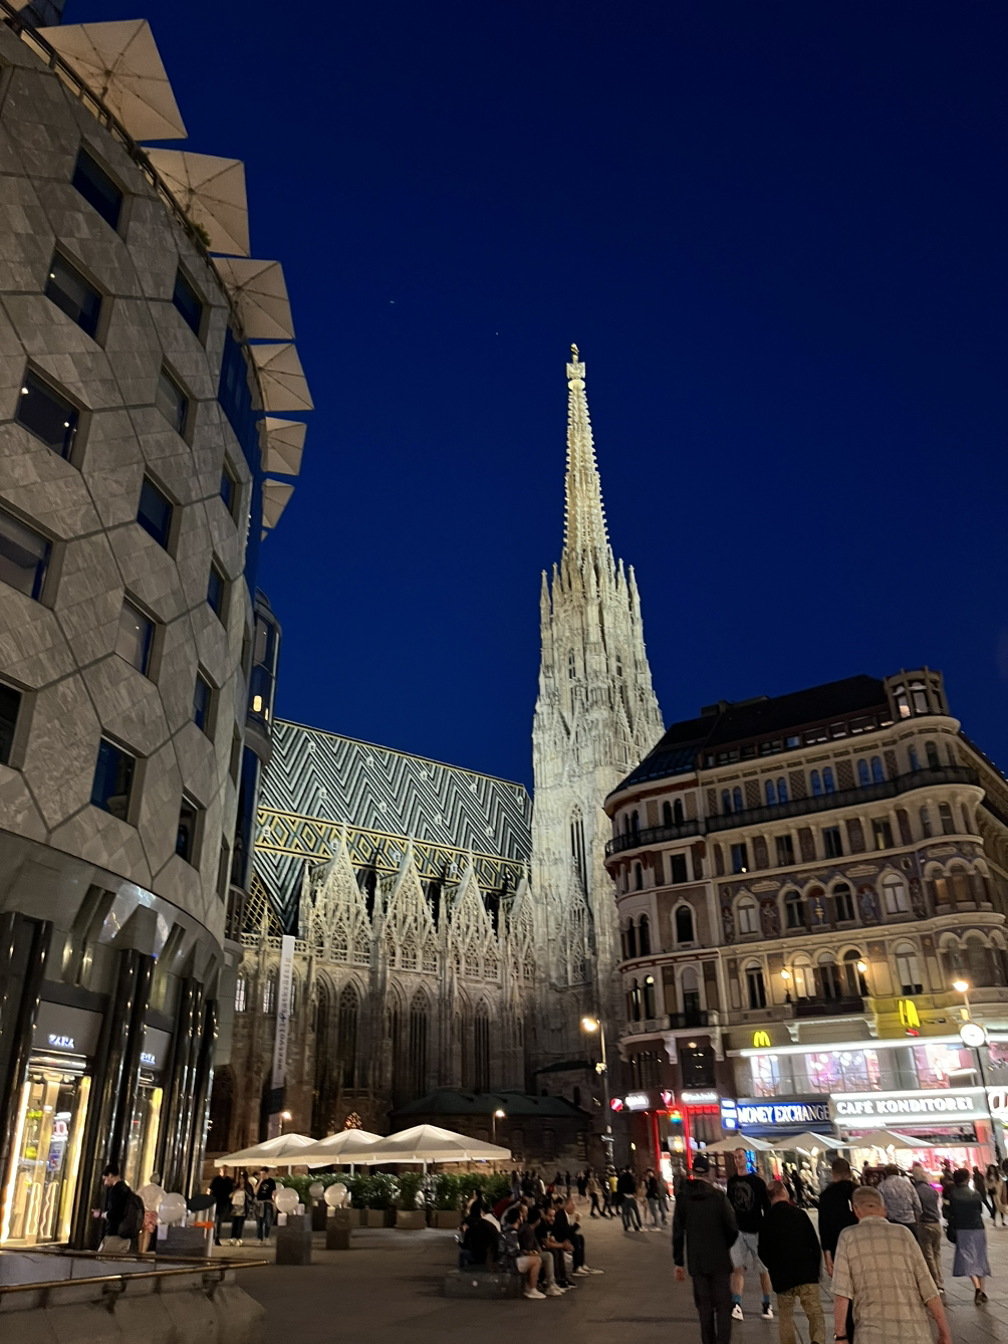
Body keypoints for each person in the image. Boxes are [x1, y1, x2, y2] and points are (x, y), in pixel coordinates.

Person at [831, 1184, 950, 1344]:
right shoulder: (904, 1234)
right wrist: (944, 1332)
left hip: (871, 1335)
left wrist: (840, 1336)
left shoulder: (848, 1237)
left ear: (856, 1210)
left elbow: (842, 1294)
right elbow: (929, 1289)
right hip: (914, 1334)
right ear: (884, 1210)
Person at [673, 1153, 739, 1344]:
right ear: (708, 1173)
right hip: (719, 1260)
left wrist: (679, 1262)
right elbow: (732, 1228)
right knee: (723, 1307)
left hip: (697, 1262)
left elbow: (678, 1232)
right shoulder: (718, 1197)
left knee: (704, 1309)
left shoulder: (683, 1198)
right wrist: (724, 1245)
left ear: (693, 1172)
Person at [758, 1180, 825, 1344]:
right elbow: (814, 1244)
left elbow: (763, 1251)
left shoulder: (767, 1220)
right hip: (806, 1273)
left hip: (782, 1277)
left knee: (786, 1317)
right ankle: (817, 1341)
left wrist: (773, 1267)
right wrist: (816, 1269)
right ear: (784, 1192)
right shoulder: (799, 1214)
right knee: (815, 1314)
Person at [726, 1147, 773, 1320]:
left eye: (740, 1157)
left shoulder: (757, 1182)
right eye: (735, 1157)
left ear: (746, 1159)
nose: (738, 1160)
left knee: (763, 1269)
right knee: (737, 1268)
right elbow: (729, 1205)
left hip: (756, 1230)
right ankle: (737, 1304)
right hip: (738, 1231)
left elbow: (766, 1206)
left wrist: (766, 1228)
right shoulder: (731, 1182)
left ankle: (767, 1303)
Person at [948, 1165, 991, 1304]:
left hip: (962, 1229)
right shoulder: (975, 1194)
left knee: (968, 1259)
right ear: (967, 1179)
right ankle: (982, 1290)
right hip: (978, 1228)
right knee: (981, 1257)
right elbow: (980, 1210)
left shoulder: (952, 1194)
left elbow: (948, 1213)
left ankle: (977, 1288)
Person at [910, 1164, 944, 1298]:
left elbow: (916, 1208)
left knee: (928, 1255)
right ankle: (940, 1280)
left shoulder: (915, 1190)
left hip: (924, 1223)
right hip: (936, 1223)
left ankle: (935, 1282)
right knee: (937, 1253)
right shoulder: (931, 1189)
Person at [499, 1205, 544, 1299]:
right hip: (509, 1263)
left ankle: (528, 1286)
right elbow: (512, 1251)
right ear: (517, 1219)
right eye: (520, 1216)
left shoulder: (508, 1229)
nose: (522, 1217)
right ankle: (532, 1288)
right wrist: (526, 1253)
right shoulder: (512, 1232)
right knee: (537, 1260)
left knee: (532, 1259)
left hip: (508, 1260)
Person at [559, 1193, 602, 1275]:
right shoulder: (561, 1214)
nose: (574, 1207)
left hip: (564, 1235)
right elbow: (567, 1232)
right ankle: (576, 1267)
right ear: (566, 1205)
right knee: (575, 1238)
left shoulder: (564, 1214)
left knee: (580, 1237)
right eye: (572, 1205)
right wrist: (577, 1223)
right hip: (560, 1238)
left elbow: (568, 1230)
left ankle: (581, 1264)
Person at [99, 1163, 138, 1253]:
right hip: (126, 1234)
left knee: (104, 1257)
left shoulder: (115, 1191)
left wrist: (102, 1214)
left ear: (110, 1175)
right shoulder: (127, 1189)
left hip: (115, 1233)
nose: (105, 1183)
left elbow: (115, 1213)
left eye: (105, 1179)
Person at [878, 1164, 921, 1232]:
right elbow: (917, 1204)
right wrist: (917, 1220)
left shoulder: (882, 1186)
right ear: (898, 1172)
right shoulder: (908, 1184)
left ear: (886, 1173)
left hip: (892, 1222)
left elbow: (881, 1206)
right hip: (910, 1221)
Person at [210, 1165, 234, 1247]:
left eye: (226, 1170)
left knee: (219, 1221)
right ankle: (212, 1236)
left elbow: (231, 1191)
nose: (224, 1172)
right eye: (223, 1170)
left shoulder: (228, 1180)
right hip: (215, 1202)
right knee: (213, 1220)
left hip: (224, 1203)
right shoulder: (216, 1179)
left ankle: (217, 1237)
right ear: (220, 1171)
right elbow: (210, 1189)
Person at [255, 1169, 276, 1241]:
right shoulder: (259, 1181)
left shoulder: (271, 1181)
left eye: (263, 1174)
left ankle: (266, 1236)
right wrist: (260, 1181)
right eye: (261, 1174)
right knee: (259, 1221)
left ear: (266, 1173)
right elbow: (255, 1192)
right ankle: (259, 1238)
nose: (262, 1175)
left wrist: (274, 1202)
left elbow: (274, 1192)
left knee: (268, 1220)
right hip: (260, 1202)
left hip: (268, 1202)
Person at [229, 1171, 249, 1245]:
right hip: (235, 1207)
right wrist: (237, 1190)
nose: (241, 1180)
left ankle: (238, 1238)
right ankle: (233, 1238)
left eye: (243, 1178)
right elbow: (230, 1196)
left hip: (243, 1208)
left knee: (240, 1223)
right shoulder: (235, 1186)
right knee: (234, 1223)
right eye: (240, 1178)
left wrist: (245, 1191)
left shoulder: (247, 1187)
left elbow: (250, 1197)